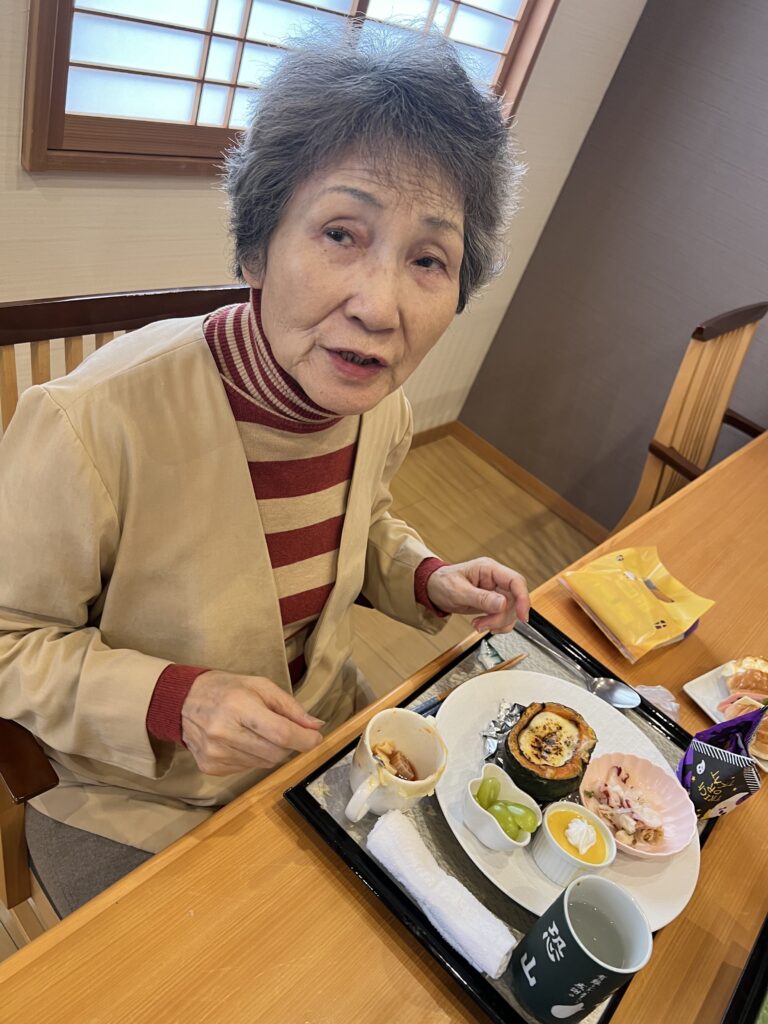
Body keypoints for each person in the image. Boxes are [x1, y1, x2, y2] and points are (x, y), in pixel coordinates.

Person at [0, 27, 528, 916]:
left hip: (322, 734)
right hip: (137, 790)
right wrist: (175, 700)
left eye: (428, 259)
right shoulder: (88, 423)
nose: (379, 305)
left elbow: (360, 525)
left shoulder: (381, 409)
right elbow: (9, 640)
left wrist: (426, 578)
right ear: (256, 248)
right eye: (340, 233)